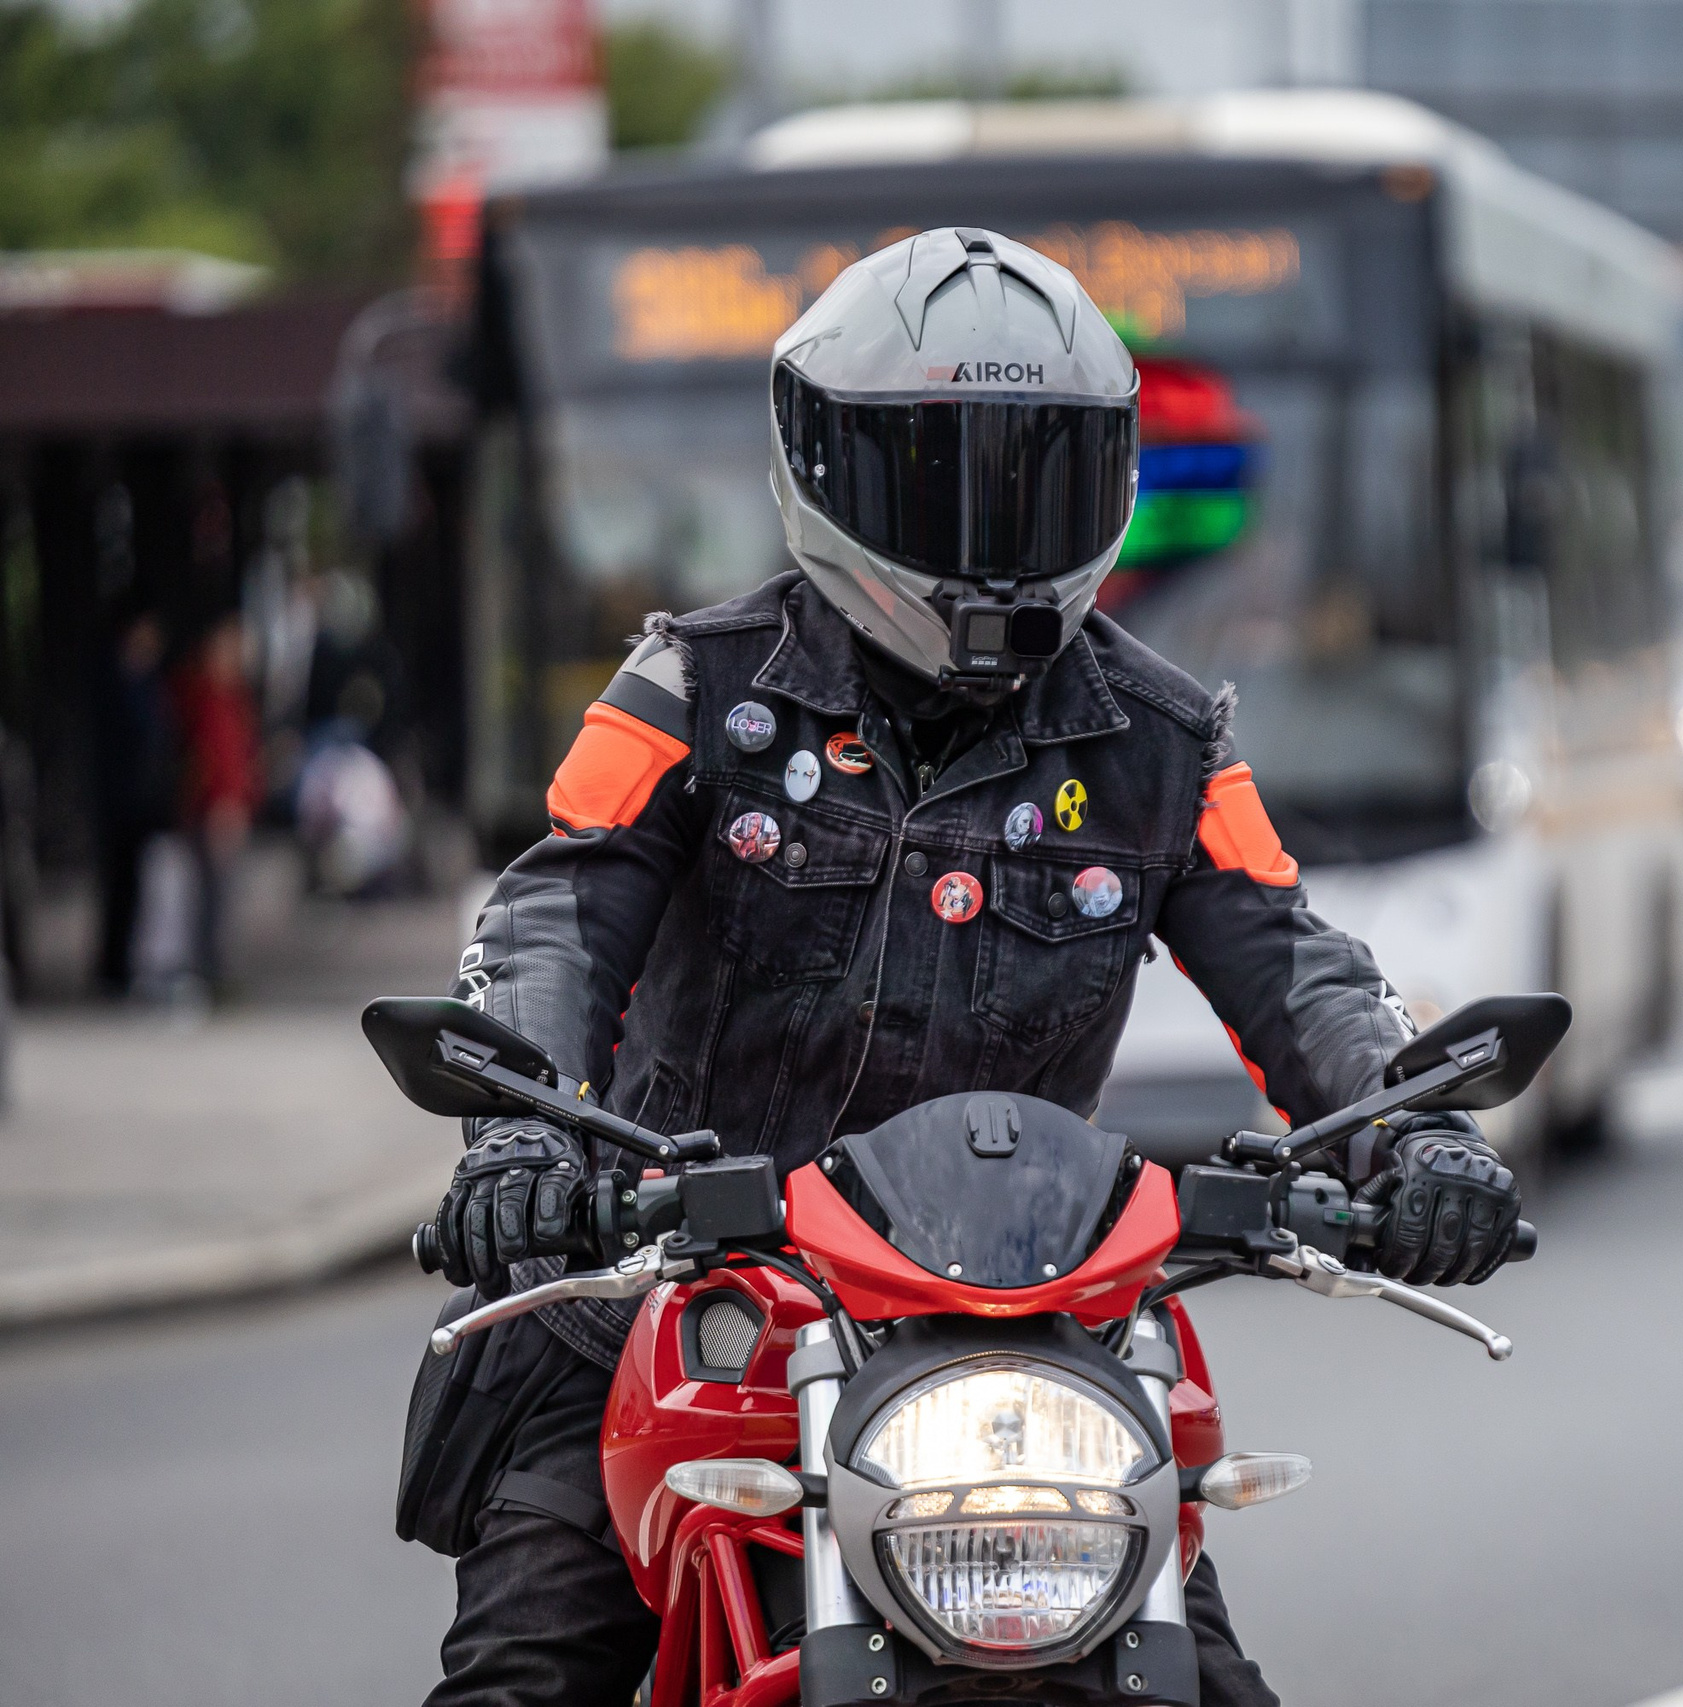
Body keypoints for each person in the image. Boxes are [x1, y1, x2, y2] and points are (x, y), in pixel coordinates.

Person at [415, 230, 1524, 1707]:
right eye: (941, 475)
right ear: (829, 464)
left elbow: (1297, 961)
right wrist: (521, 1135)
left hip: (1009, 1338)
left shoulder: (1164, 738)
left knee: (1201, 1677)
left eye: (1036, 473)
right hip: (675, 1301)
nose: (994, 527)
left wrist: (1410, 1125)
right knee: (528, 1669)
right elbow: (552, 918)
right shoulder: (694, 688)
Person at [169, 614, 261, 993]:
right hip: (217, 810)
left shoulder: (230, 696)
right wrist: (223, 805)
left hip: (228, 806)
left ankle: (214, 970)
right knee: (211, 897)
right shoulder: (206, 698)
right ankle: (207, 972)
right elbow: (213, 759)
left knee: (220, 896)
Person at [94, 610, 177, 994]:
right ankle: (114, 968)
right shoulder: (115, 682)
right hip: (120, 802)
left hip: (144, 801)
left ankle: (130, 964)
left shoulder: (149, 682)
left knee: (140, 888)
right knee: (120, 887)